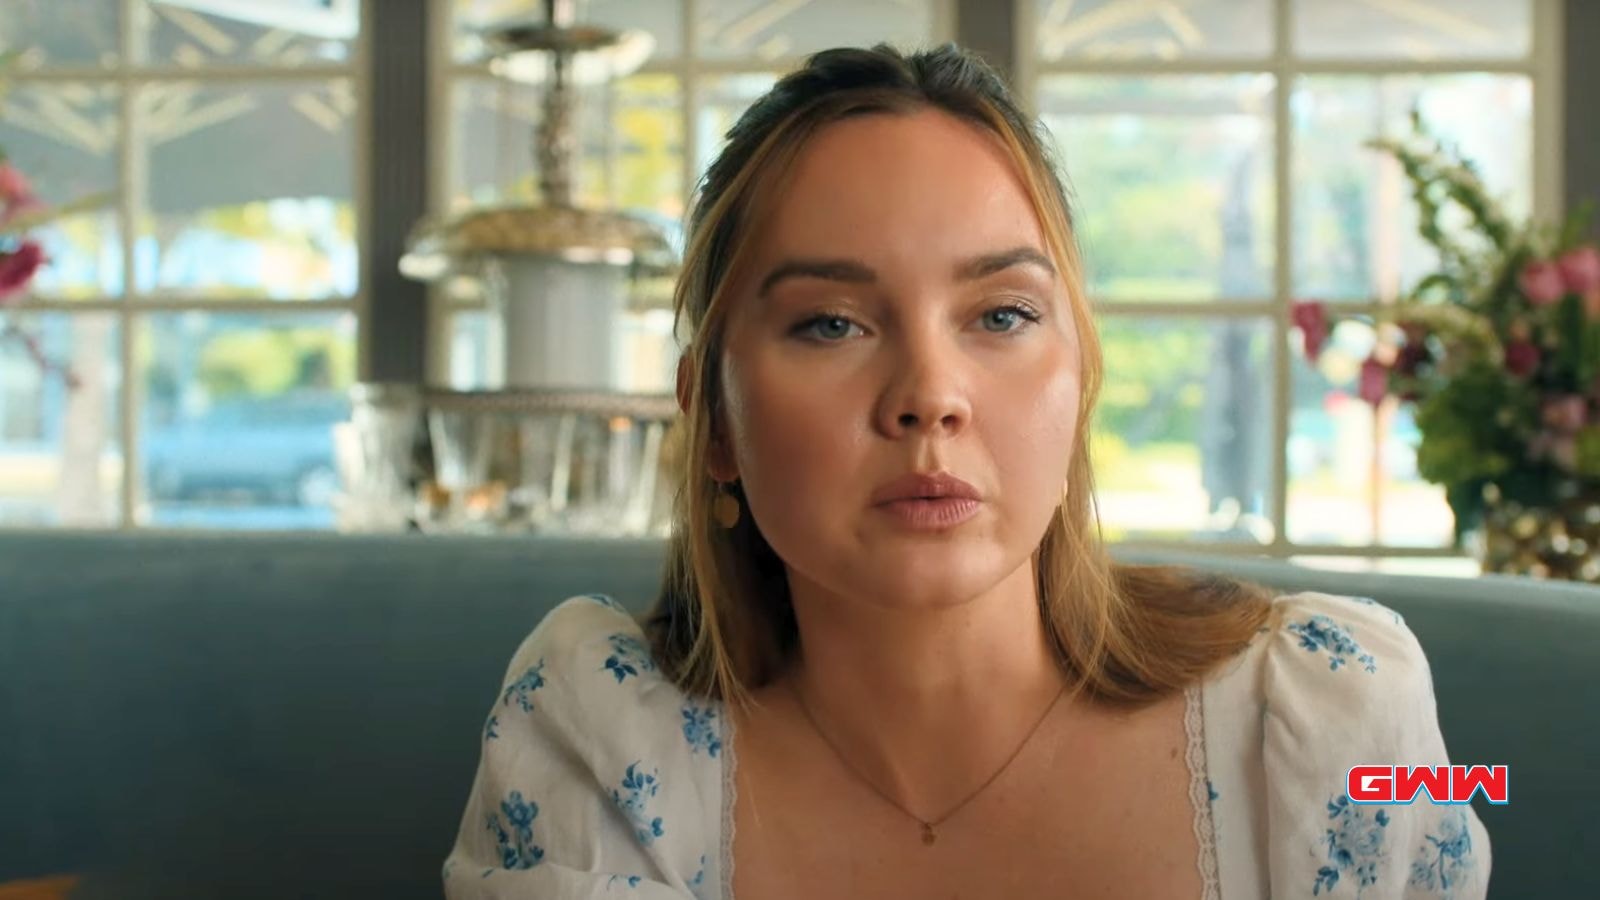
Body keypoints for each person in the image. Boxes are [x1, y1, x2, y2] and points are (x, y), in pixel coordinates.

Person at [442, 43, 1491, 899]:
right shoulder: (600, 738)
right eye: (829, 322)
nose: (928, 395)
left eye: (1001, 315)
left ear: (1078, 383)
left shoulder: (1333, 718)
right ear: (711, 420)